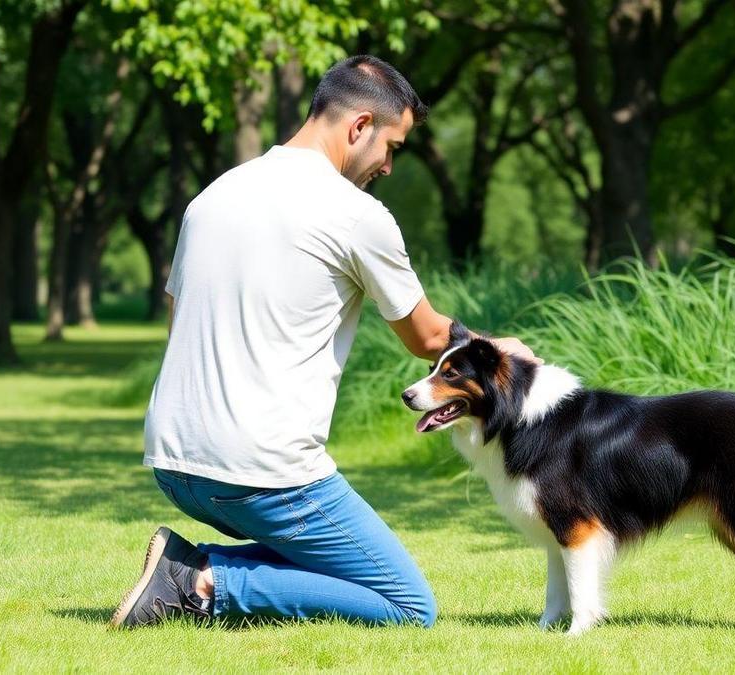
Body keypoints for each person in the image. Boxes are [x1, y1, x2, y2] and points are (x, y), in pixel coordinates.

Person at [109, 55, 537, 629]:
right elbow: (431, 337)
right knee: (408, 605)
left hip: (173, 461)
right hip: (260, 473)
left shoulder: (211, 197)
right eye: (393, 146)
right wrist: (502, 351)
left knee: (340, 564)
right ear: (360, 126)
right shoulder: (355, 214)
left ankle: (187, 565)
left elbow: (177, 319)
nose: (388, 165)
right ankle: (200, 582)